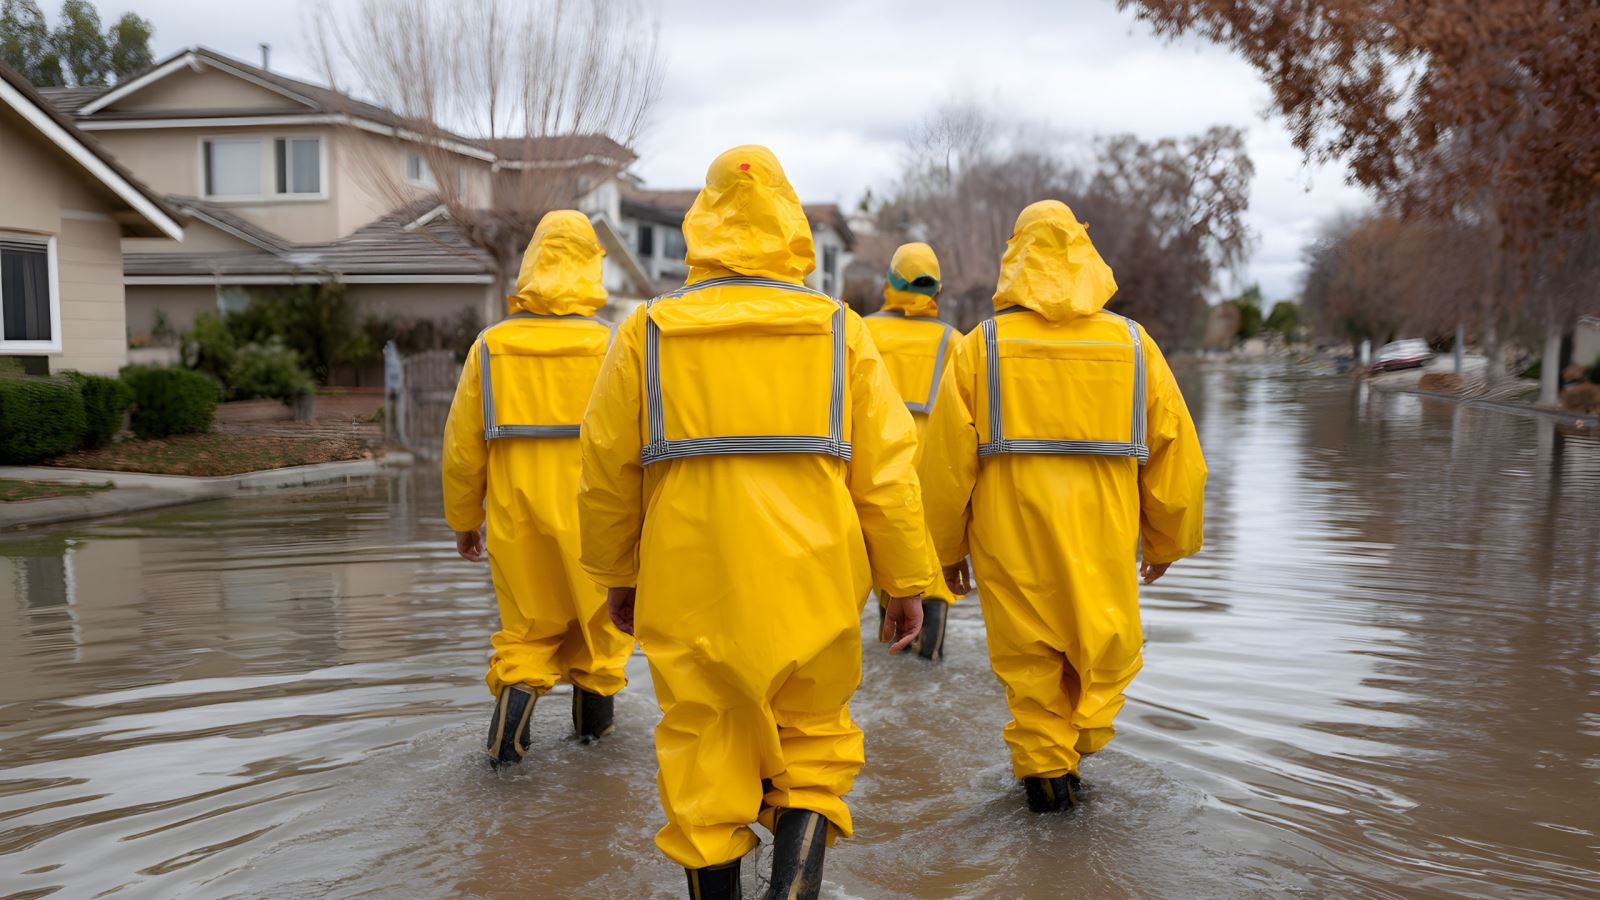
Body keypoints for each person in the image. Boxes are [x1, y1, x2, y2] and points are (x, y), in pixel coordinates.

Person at [579, 145, 931, 899]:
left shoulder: (645, 331)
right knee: (811, 737)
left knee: (705, 743)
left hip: (690, 575)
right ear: (792, 224)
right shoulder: (840, 331)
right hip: (818, 577)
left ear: (701, 223)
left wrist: (617, 574)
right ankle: (796, 884)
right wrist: (906, 582)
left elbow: (607, 468)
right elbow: (889, 474)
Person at [919, 200, 1206, 812]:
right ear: (1085, 251)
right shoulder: (1135, 346)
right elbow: (1176, 456)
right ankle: (1067, 800)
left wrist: (943, 554)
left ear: (1014, 255)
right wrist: (1166, 542)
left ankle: (1049, 811)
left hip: (1011, 545)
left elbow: (944, 469)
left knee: (1032, 678)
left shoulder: (979, 350)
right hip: (1104, 543)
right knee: (1098, 663)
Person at [441, 210, 634, 768]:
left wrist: (463, 520)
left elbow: (461, 447)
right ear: (591, 267)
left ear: (532, 263)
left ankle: (505, 755)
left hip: (515, 519)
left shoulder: (491, 347)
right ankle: (595, 762)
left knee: (526, 636)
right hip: (597, 519)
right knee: (602, 639)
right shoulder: (615, 346)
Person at [861, 242, 966, 660]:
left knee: (885, 552)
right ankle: (928, 660)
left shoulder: (860, 330)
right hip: (933, 457)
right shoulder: (953, 340)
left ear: (889, 283)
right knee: (931, 561)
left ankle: (893, 646)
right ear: (936, 289)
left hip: (876, 453)